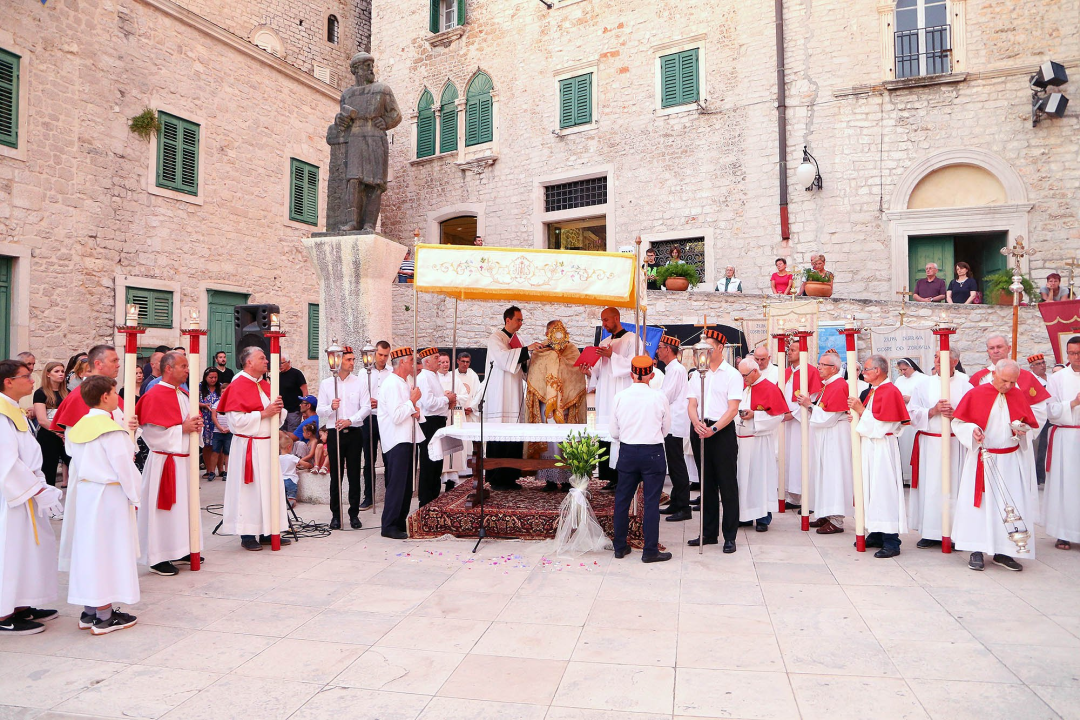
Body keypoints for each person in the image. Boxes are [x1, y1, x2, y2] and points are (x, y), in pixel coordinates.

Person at [60, 375, 141, 634]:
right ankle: (104, 616)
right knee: (108, 552)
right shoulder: (110, 430)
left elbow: (73, 456)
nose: (118, 398)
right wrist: (135, 495)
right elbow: (124, 468)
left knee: (89, 552)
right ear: (105, 396)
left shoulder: (79, 426)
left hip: (86, 494)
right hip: (109, 497)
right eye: (115, 392)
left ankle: (89, 611)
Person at [952, 360, 1039, 571]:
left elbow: (1031, 426)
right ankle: (976, 549)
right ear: (994, 375)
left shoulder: (1017, 394)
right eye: (1004, 381)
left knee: (1008, 505)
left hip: (1010, 460)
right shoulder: (976, 394)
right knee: (979, 507)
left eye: (1012, 382)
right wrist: (972, 430)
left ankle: (1004, 552)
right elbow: (958, 423)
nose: (1008, 386)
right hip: (983, 458)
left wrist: (1023, 430)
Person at [0, 359, 61, 636]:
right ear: (8, 382)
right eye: (26, 376)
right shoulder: (1, 414)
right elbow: (6, 462)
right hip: (11, 495)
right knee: (10, 551)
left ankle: (23, 603)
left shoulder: (12, 409)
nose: (32, 381)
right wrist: (35, 488)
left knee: (28, 549)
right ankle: (4, 613)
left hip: (25, 490)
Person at [134, 351, 204, 577]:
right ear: (168, 369)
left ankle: (182, 547)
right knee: (164, 511)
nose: (187, 370)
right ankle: (159, 556)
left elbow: (187, 422)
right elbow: (151, 433)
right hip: (166, 461)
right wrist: (182, 430)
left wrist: (195, 427)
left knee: (185, 508)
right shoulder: (154, 395)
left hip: (184, 460)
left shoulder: (183, 392)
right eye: (183, 366)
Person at [217, 346, 289, 551]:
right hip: (249, 445)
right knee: (249, 491)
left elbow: (276, 416)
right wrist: (264, 414)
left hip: (267, 444)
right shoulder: (238, 384)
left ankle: (268, 530)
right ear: (249, 362)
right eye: (262, 358)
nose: (267, 361)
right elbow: (235, 422)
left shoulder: (264, 384)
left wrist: (278, 410)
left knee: (269, 488)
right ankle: (247, 534)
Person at [906, 348, 972, 548]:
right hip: (931, 442)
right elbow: (912, 413)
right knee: (931, 485)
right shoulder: (924, 384)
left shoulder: (966, 385)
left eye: (942, 357)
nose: (937, 360)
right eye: (935, 357)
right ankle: (930, 531)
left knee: (954, 486)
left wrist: (956, 414)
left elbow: (973, 415)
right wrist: (932, 411)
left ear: (955, 361)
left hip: (955, 443)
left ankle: (952, 532)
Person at [847, 355, 911, 558]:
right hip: (869, 445)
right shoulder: (874, 391)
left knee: (883, 491)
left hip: (882, 447)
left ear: (878, 371)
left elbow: (883, 425)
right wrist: (857, 415)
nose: (863, 373)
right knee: (869, 489)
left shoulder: (890, 391)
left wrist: (860, 411)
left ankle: (891, 540)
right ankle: (875, 532)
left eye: (866, 369)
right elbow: (870, 417)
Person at [610, 356, 671, 563]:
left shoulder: (620, 396)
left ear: (631, 374)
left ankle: (619, 547)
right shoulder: (659, 397)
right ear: (651, 376)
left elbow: (614, 431)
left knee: (622, 500)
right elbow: (666, 429)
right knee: (651, 502)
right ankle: (650, 550)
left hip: (628, 451)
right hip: (653, 452)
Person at [687, 328, 743, 552]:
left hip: (721, 431)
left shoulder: (732, 374)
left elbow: (733, 409)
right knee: (706, 484)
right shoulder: (697, 374)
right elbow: (691, 403)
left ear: (720, 349)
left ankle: (730, 535)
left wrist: (714, 428)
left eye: (709, 348)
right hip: (700, 428)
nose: (705, 353)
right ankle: (708, 533)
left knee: (727, 484)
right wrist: (695, 423)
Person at [336, 52, 402, 233]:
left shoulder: (383, 89)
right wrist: (340, 119)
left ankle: (369, 224)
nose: (370, 69)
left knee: (375, 183)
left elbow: (396, 114)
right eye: (366, 65)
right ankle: (352, 222)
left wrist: (386, 122)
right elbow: (342, 119)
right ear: (356, 70)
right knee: (354, 181)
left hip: (375, 137)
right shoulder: (347, 95)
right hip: (355, 137)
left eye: (371, 65)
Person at [483, 307, 543, 489]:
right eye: (518, 320)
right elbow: (503, 359)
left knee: (513, 435)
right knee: (500, 436)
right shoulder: (496, 338)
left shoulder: (519, 340)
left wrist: (534, 356)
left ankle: (510, 477)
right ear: (507, 320)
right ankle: (496, 478)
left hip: (515, 392)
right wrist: (526, 350)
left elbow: (523, 365)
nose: (521, 323)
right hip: (500, 393)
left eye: (522, 320)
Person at [526, 320, 586, 491]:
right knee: (551, 441)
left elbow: (577, 374)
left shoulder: (572, 349)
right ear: (546, 333)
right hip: (547, 404)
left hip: (566, 403)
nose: (556, 334)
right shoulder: (540, 350)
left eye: (559, 330)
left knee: (567, 440)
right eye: (552, 330)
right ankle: (550, 479)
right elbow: (534, 375)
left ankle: (568, 479)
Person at [799, 350, 853, 534]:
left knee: (834, 476)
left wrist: (808, 405)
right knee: (824, 475)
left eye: (823, 365)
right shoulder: (828, 385)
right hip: (826, 436)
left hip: (835, 438)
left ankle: (837, 520)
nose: (819, 368)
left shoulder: (838, 386)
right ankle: (826, 512)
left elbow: (829, 417)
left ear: (834, 368)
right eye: (819, 364)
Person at [315, 345, 369, 530]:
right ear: (339, 361)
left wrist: (350, 420)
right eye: (349, 360)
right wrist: (331, 407)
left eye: (354, 359)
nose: (352, 363)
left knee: (354, 474)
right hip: (334, 433)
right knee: (335, 476)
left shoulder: (359, 382)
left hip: (354, 433)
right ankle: (336, 515)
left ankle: (354, 514)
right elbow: (319, 409)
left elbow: (366, 407)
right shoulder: (327, 384)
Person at [735, 357, 787, 532]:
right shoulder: (745, 387)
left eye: (745, 375)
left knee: (760, 478)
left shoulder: (770, 388)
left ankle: (763, 517)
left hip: (759, 441)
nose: (743, 379)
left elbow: (778, 416)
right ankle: (745, 515)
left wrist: (755, 416)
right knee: (744, 479)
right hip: (742, 441)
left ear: (755, 371)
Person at [587, 307, 636, 491]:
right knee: (605, 433)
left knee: (620, 433)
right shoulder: (604, 341)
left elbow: (634, 364)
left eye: (606, 320)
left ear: (617, 318)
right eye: (602, 321)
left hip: (622, 390)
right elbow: (599, 371)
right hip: (605, 394)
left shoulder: (632, 338)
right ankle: (609, 477)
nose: (604, 324)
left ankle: (622, 477)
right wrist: (589, 372)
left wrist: (612, 356)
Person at [378, 347, 422, 539]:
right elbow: (396, 416)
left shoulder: (405, 382)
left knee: (406, 485)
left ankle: (399, 522)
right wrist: (412, 402)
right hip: (397, 440)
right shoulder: (391, 384)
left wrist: (415, 409)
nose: (414, 364)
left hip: (407, 437)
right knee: (397, 484)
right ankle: (389, 525)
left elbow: (405, 411)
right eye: (412, 360)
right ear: (402, 362)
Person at [968, 335, 1050, 431]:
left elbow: (1039, 409)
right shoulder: (979, 378)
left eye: (999, 347)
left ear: (1009, 348)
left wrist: (1023, 427)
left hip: (1017, 434)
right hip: (987, 433)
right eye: (991, 348)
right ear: (988, 352)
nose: (995, 351)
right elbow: (971, 410)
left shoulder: (1026, 377)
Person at [1044, 336, 1080, 550]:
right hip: (1066, 437)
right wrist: (1074, 403)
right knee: (1065, 485)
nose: (1075, 358)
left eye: (1079, 353)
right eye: (1072, 353)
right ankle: (1063, 533)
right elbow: (1051, 411)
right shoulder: (1057, 379)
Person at [782, 343, 822, 512]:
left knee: (804, 457)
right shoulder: (785, 372)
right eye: (788, 350)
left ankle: (808, 498)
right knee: (790, 458)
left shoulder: (811, 371)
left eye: (793, 350)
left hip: (803, 421)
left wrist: (794, 414)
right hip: (786, 421)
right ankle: (793, 496)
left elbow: (812, 398)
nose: (789, 353)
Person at [656, 336, 692, 522]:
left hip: (675, 422)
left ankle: (684, 507)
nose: (657, 350)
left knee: (677, 465)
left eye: (660, 347)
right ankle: (677, 501)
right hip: (671, 421)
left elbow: (666, 396)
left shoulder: (676, 369)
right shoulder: (671, 369)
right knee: (674, 462)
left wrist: (650, 399)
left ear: (669, 349)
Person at [53, 345, 128, 432]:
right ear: (98, 364)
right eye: (114, 361)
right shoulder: (80, 395)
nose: (118, 365)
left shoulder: (110, 391)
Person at [416, 347, 455, 507]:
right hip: (429, 423)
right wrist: (446, 399)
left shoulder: (433, 376)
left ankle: (434, 496)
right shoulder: (424, 377)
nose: (439, 360)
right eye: (436, 358)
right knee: (429, 461)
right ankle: (426, 499)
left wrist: (447, 400)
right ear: (427, 361)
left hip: (437, 422)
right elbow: (429, 404)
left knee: (437, 461)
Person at [359, 341, 392, 509]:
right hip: (369, 418)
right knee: (368, 459)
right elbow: (359, 395)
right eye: (380, 355)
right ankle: (368, 496)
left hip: (386, 418)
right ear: (374, 353)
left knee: (388, 458)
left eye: (386, 355)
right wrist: (367, 401)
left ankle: (390, 494)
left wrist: (380, 403)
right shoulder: (363, 372)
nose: (383, 358)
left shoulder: (392, 373)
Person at [32, 361, 69, 487]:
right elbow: (42, 420)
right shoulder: (40, 393)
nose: (61, 374)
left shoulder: (67, 392)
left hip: (66, 434)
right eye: (57, 371)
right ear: (48, 374)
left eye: (62, 371)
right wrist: (59, 432)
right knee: (48, 469)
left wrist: (65, 432)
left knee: (73, 463)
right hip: (48, 434)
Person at [895, 357, 930, 484]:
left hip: (916, 418)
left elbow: (927, 400)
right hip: (903, 417)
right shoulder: (899, 380)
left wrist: (911, 399)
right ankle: (905, 476)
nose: (903, 372)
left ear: (912, 367)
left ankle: (916, 477)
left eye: (905, 369)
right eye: (901, 370)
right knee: (904, 447)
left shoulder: (923, 379)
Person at [1028, 353, 1050, 485]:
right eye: (1038, 364)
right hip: (1040, 416)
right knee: (1038, 446)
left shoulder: (1052, 378)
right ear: (1032, 367)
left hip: (1053, 415)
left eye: (1043, 363)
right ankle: (1037, 475)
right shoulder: (1032, 380)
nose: (1042, 366)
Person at [199, 368, 223, 481]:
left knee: (220, 445)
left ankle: (221, 469)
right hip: (206, 419)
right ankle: (209, 470)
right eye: (211, 377)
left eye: (215, 377)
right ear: (205, 377)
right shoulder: (199, 387)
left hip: (220, 419)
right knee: (208, 445)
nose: (213, 380)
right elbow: (192, 400)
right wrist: (203, 405)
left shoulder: (221, 387)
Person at [278, 355, 308, 433]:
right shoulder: (278, 375)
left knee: (292, 433)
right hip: (282, 410)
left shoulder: (296, 373)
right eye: (278, 363)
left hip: (294, 410)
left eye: (281, 363)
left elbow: (305, 390)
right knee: (282, 434)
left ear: (289, 362)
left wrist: (304, 408)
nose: (280, 365)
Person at [210, 394, 231, 481]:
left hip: (229, 431)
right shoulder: (216, 403)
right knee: (215, 451)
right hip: (217, 431)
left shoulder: (232, 403)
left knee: (227, 452)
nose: (224, 393)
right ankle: (212, 472)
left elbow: (235, 417)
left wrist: (229, 428)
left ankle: (227, 471)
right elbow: (214, 416)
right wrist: (219, 427)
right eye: (222, 391)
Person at [278, 432, 299, 510]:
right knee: (291, 496)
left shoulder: (277, 458)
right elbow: (302, 463)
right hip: (291, 480)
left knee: (281, 494)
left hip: (281, 479)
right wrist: (309, 465)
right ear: (289, 446)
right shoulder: (292, 457)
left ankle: (283, 502)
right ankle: (291, 502)